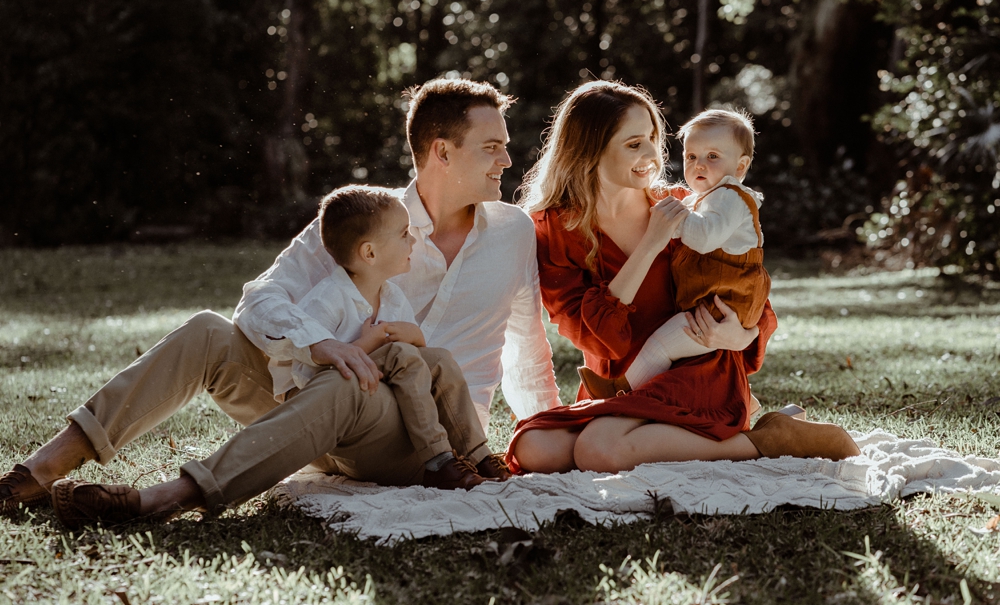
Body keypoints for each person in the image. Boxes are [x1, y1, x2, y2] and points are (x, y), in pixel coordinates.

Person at [0, 78, 561, 527]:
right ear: (441, 151)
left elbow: (529, 352)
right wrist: (320, 342)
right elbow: (261, 297)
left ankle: (159, 501)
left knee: (350, 381)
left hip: (424, 439)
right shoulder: (363, 217)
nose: (506, 162)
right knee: (208, 331)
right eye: (492, 148)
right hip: (321, 413)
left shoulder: (512, 232)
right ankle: (36, 473)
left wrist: (545, 436)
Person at [506, 80, 859, 476]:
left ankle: (769, 442)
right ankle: (721, 433)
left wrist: (743, 335)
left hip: (698, 373)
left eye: (653, 138)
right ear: (590, 150)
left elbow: (747, 283)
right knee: (535, 448)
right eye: (634, 143)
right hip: (621, 381)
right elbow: (597, 338)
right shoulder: (554, 227)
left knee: (599, 451)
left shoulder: (689, 207)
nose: (652, 154)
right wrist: (650, 245)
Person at [290, 184, 496, 490]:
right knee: (401, 354)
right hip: (354, 413)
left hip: (391, 399)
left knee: (440, 358)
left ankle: (477, 455)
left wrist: (414, 335)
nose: (413, 240)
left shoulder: (392, 295)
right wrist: (368, 343)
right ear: (370, 253)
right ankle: (439, 461)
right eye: (403, 234)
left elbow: (419, 358)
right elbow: (308, 375)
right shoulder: (327, 300)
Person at [577, 107, 772, 399]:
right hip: (712, 303)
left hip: (722, 307)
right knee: (665, 347)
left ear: (741, 168)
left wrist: (744, 336)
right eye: (691, 157)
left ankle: (625, 394)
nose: (699, 165)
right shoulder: (701, 199)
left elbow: (704, 238)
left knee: (661, 346)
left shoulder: (729, 197)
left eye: (713, 157)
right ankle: (629, 395)